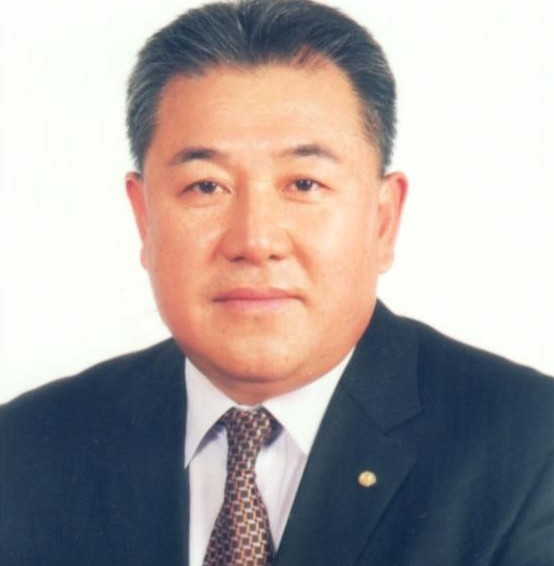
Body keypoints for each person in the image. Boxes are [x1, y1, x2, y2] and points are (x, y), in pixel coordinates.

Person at [1, 0, 553, 564]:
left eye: (304, 184)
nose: (255, 240)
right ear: (144, 218)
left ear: (383, 220)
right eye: (206, 186)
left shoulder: (531, 448)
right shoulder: (25, 450)